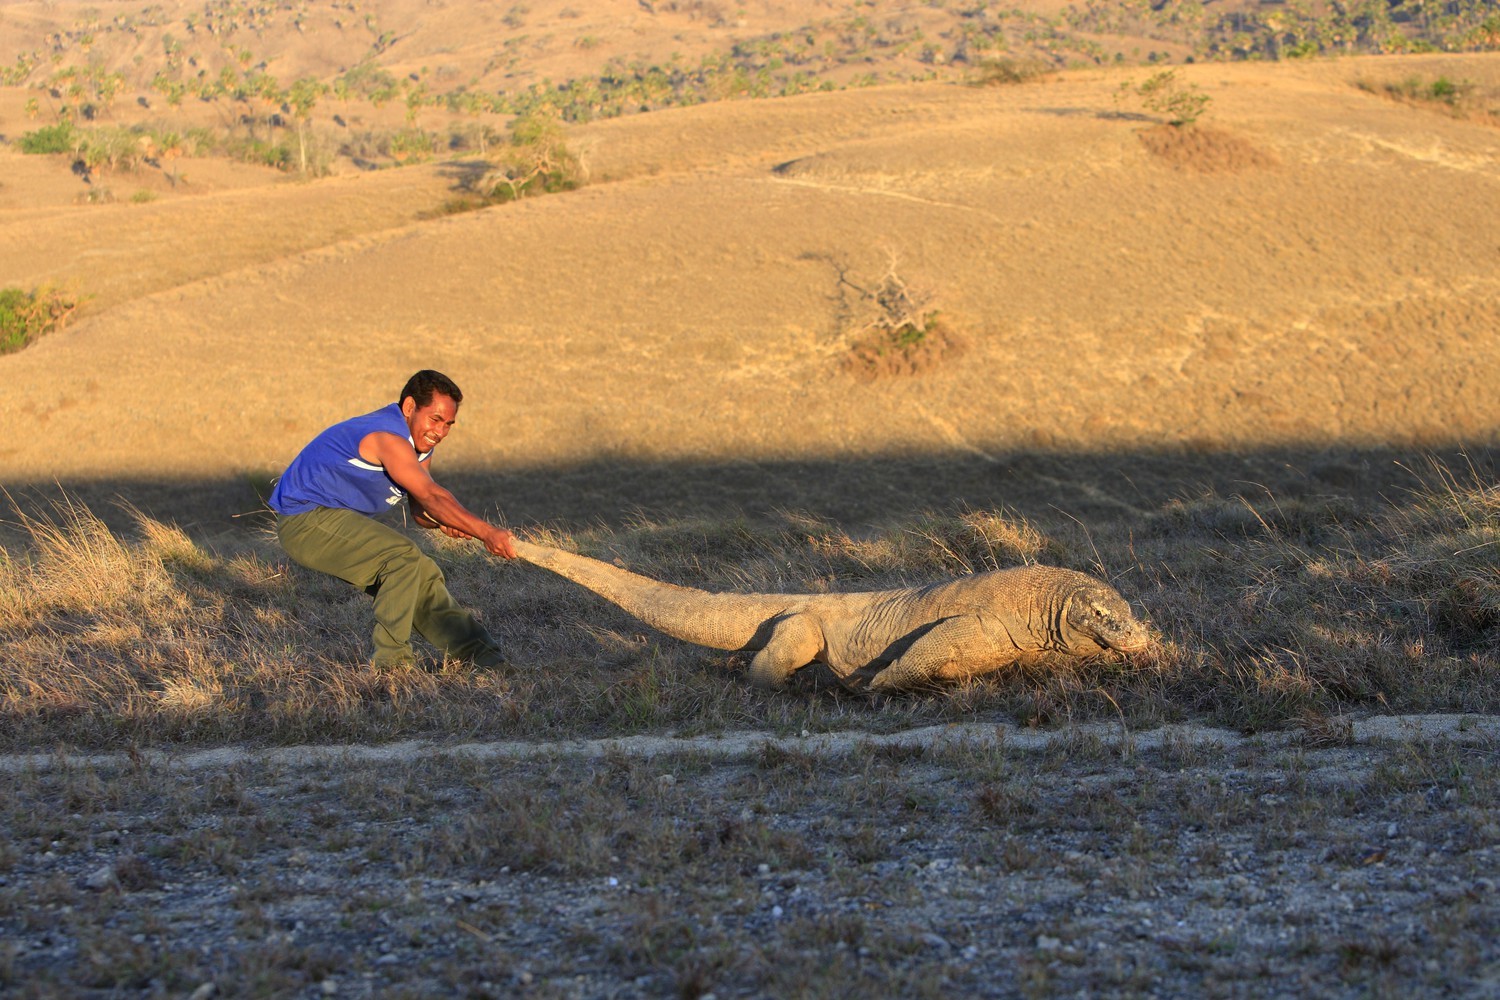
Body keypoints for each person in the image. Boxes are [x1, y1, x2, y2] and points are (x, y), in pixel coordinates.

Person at [268, 370, 516, 670]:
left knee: (421, 573)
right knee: (402, 559)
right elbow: (432, 496)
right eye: (435, 419)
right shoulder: (388, 438)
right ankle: (392, 667)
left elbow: (422, 510)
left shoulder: (420, 446)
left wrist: (443, 521)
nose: (440, 431)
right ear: (410, 407)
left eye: (449, 424)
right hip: (304, 521)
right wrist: (487, 533)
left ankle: (484, 657)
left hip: (332, 518)